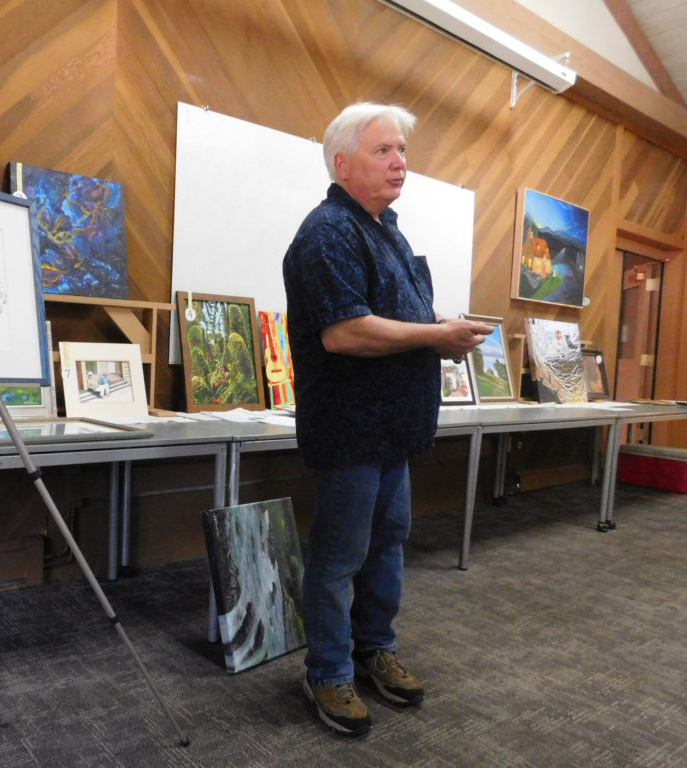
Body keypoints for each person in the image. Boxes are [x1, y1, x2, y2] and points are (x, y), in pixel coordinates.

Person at [282, 102, 492, 737]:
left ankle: (373, 649)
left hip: (394, 429)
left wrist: (438, 330)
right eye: (383, 150)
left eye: (402, 150)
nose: (400, 161)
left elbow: (395, 321)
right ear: (342, 163)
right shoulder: (328, 232)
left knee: (386, 546)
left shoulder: (386, 230)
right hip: (350, 431)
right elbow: (345, 334)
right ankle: (327, 672)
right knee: (341, 555)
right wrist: (436, 334)